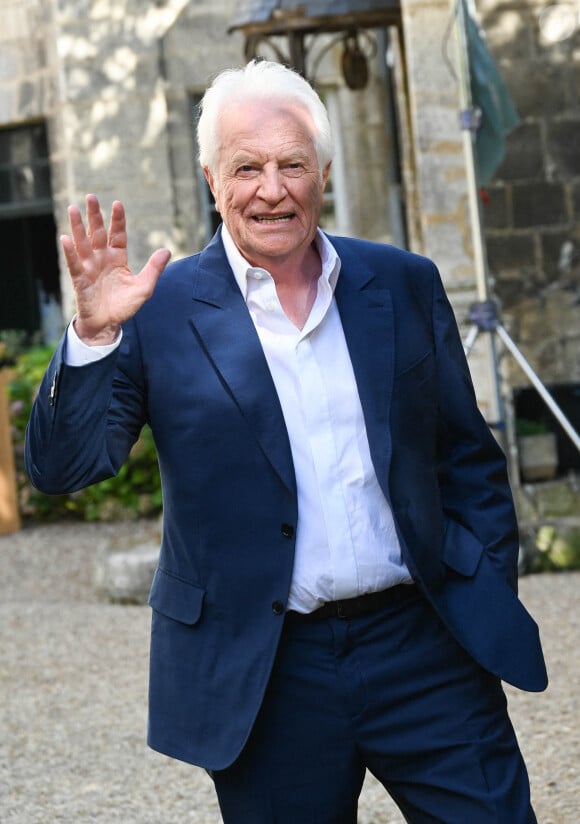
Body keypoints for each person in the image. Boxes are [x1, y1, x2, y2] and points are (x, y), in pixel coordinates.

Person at [26, 59, 547, 823]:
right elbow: (66, 468)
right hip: (267, 672)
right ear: (212, 180)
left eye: (292, 164)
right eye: (247, 168)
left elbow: (466, 456)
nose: (272, 188)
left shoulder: (401, 283)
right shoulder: (158, 311)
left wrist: (482, 586)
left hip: (425, 646)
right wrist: (96, 334)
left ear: (323, 174)